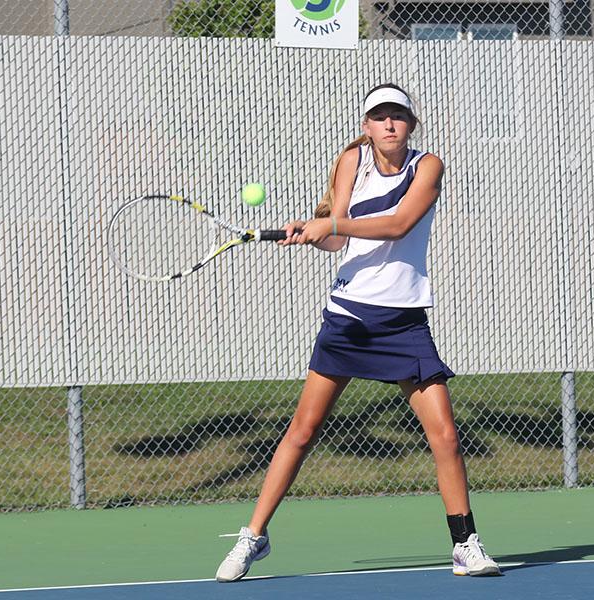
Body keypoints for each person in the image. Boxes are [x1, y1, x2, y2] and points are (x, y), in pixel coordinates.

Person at [215, 84, 500, 582]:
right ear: (365, 126)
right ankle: (253, 537)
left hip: (403, 322)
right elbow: (341, 236)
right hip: (347, 319)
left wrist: (327, 223)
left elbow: (397, 224)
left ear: (411, 123)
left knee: (447, 437)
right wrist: (313, 235)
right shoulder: (353, 160)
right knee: (302, 432)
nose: (389, 125)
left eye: (397, 116)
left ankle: (465, 545)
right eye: (378, 117)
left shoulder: (427, 166)